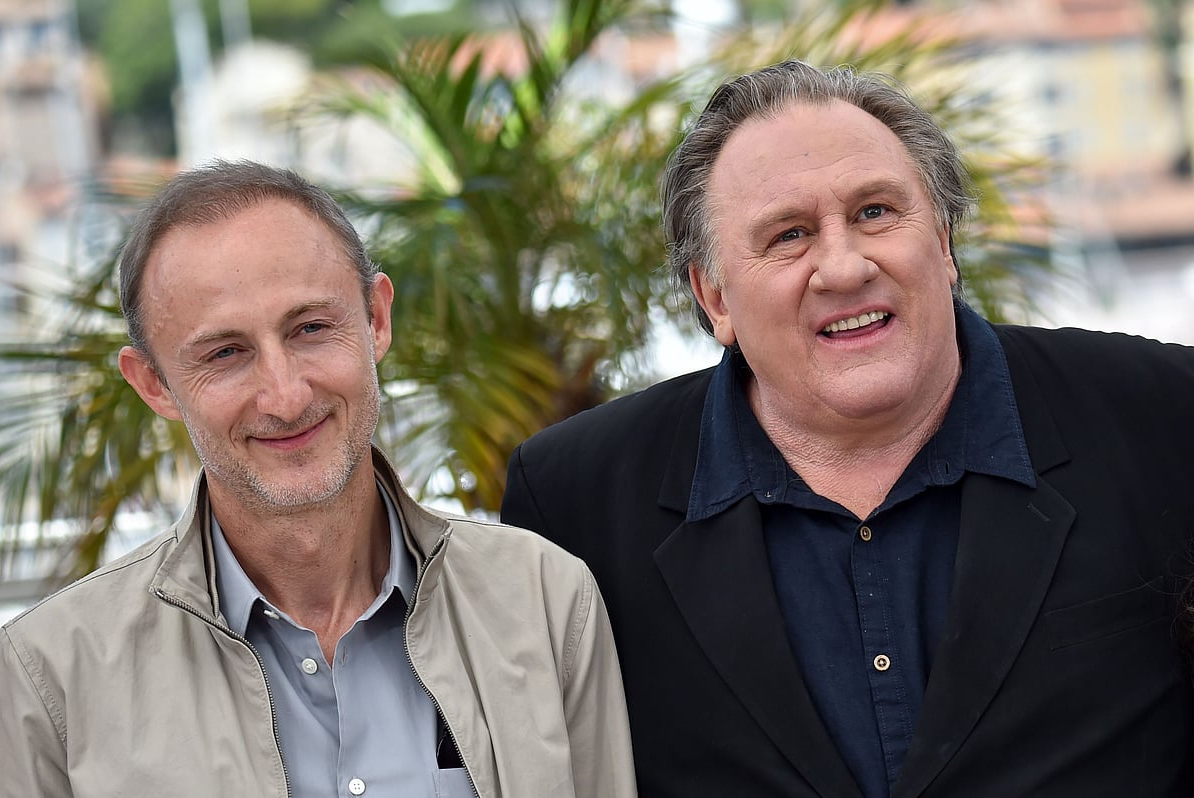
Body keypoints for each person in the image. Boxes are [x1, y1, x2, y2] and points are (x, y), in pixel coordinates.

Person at [501, 59, 1194, 797]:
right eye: (789, 235)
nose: (843, 266)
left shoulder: (1163, 417)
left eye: (874, 212)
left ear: (945, 240)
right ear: (715, 299)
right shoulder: (577, 498)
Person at [0, 160, 636, 797]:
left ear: (377, 320)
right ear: (154, 384)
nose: (286, 395)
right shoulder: (47, 682)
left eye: (310, 328)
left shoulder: (544, 602)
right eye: (225, 353)